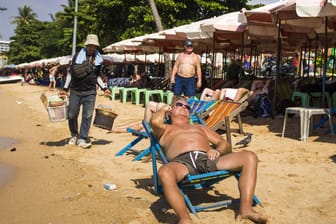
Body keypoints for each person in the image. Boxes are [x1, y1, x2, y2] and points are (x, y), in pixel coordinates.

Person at [150, 96, 268, 224]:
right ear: (170, 110)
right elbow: (155, 122)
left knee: (249, 157)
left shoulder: (199, 127)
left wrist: (218, 150)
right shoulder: (164, 129)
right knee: (165, 172)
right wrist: (162, 109)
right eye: (179, 105)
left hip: (207, 158)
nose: (184, 108)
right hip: (182, 163)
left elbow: (223, 143)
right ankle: (185, 219)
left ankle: (246, 209)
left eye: (187, 107)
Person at [59, 34, 111, 148]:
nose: (92, 48)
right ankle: (74, 134)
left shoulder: (98, 60)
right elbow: (70, 74)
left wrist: (105, 88)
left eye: (94, 46)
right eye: (90, 46)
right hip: (75, 91)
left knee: (87, 116)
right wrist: (65, 89)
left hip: (90, 92)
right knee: (72, 115)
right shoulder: (77, 56)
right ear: (86, 46)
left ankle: (82, 138)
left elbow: (97, 76)